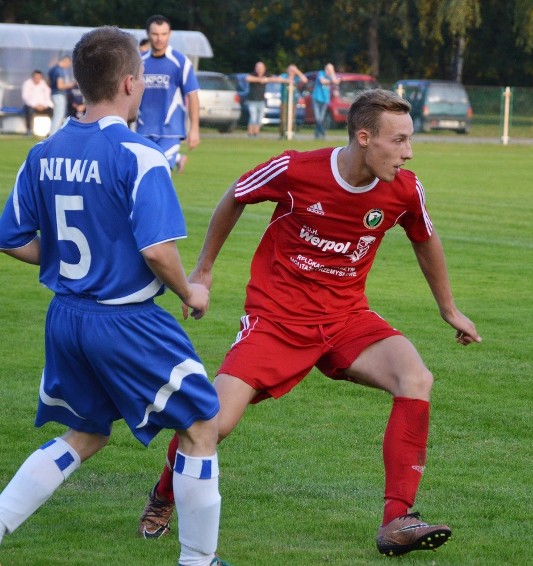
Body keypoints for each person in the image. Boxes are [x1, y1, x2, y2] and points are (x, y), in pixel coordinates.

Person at [138, 88, 480, 557]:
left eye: (409, 140)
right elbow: (236, 194)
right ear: (365, 138)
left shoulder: (404, 188)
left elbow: (425, 238)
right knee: (213, 423)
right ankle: (163, 494)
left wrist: (448, 308)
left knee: (415, 377)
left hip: (346, 318)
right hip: (277, 321)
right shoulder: (298, 169)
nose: (408, 152)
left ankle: (396, 520)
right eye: (398, 140)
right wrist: (204, 269)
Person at [0, 26, 226, 566]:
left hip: (67, 318)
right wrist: (191, 291)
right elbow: (157, 251)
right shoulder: (139, 154)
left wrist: (59, 261)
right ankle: (199, 561)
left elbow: (11, 237)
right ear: (130, 81)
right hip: (125, 321)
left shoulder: (43, 152)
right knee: (202, 424)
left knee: (86, 433)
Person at [137, 14, 200, 174]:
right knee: (144, 177)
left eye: (163, 34)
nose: (159, 38)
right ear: (148, 34)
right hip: (143, 131)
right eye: (155, 34)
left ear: (170, 34)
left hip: (170, 132)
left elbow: (192, 95)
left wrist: (194, 129)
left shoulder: (180, 62)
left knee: (160, 173)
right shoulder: (138, 62)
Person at [244, 61, 275, 137]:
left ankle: (256, 133)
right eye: (259, 68)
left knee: (260, 118)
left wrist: (266, 79)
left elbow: (273, 79)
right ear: (256, 68)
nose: (260, 69)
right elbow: (247, 78)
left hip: (261, 101)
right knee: (253, 117)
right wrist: (260, 80)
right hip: (252, 100)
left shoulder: (266, 75)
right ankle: (250, 132)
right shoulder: (253, 74)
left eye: (262, 68)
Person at [278, 63, 307, 140]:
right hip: (284, 100)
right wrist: (287, 80)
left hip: (293, 101)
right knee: (283, 118)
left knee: (292, 118)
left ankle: (291, 134)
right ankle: (282, 134)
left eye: (293, 70)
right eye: (290, 69)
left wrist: (297, 71)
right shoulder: (284, 76)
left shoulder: (296, 78)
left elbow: (305, 80)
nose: (291, 71)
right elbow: (277, 79)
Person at [47, 55, 75, 135]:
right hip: (59, 94)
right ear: (66, 61)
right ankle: (53, 134)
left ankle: (53, 133)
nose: (68, 66)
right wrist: (71, 85)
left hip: (53, 94)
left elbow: (48, 82)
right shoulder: (60, 70)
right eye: (69, 64)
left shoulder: (52, 69)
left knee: (57, 115)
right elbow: (60, 86)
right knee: (59, 116)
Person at [311, 62, 340, 139]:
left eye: (330, 69)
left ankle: (317, 135)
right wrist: (332, 81)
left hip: (325, 100)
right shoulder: (321, 73)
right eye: (327, 69)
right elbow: (322, 81)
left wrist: (332, 73)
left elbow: (335, 81)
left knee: (321, 118)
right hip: (317, 98)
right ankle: (322, 131)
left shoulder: (331, 76)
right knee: (317, 118)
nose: (328, 70)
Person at [21, 70, 53, 136]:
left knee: (51, 110)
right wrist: (35, 106)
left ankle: (51, 130)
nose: (37, 78)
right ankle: (29, 130)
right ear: (33, 77)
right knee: (28, 110)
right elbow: (25, 97)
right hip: (31, 106)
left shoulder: (44, 84)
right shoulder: (27, 84)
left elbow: (48, 96)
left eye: (39, 77)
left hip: (43, 106)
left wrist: (44, 105)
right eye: (36, 77)